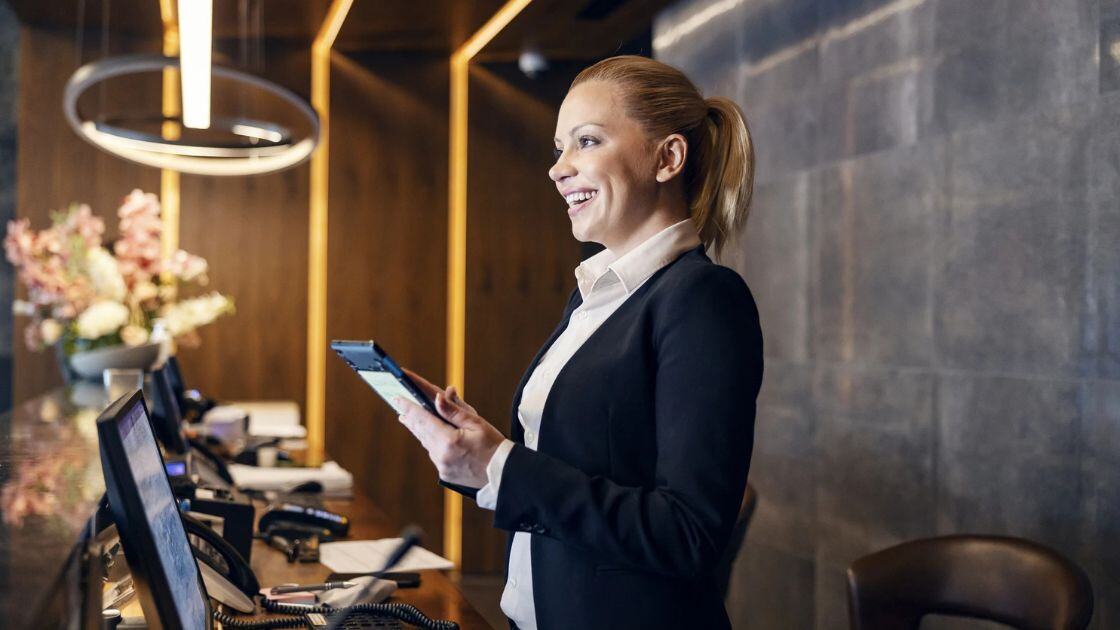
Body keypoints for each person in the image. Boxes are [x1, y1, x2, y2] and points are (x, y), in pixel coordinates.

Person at [395, 55, 764, 630]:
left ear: (667, 158)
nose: (558, 169)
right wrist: (481, 454)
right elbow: (574, 472)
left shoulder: (703, 300)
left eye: (586, 142)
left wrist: (503, 465)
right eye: (559, 148)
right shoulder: (598, 294)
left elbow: (688, 534)